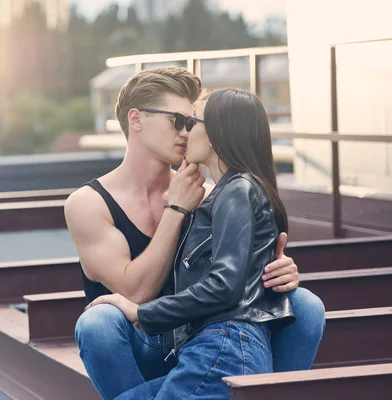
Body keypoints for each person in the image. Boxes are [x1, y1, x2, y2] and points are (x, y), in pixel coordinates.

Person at [64, 67, 325, 400]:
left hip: (204, 330)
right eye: (177, 120)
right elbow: (135, 292)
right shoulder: (88, 203)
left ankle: (261, 394)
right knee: (96, 323)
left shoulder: (217, 193)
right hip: (146, 339)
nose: (187, 132)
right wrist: (176, 211)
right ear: (136, 119)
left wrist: (275, 269)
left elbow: (230, 277)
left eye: (194, 122)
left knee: (304, 304)